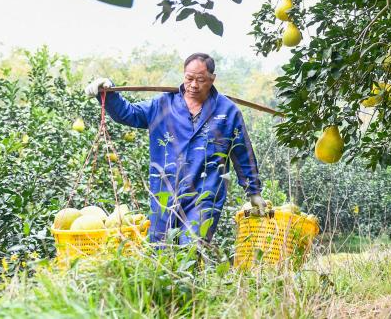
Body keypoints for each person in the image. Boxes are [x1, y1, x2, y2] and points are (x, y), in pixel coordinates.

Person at [84, 53, 266, 244]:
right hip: (165, 194)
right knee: (160, 249)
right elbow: (128, 113)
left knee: (192, 247)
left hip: (204, 197)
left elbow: (242, 153)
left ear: (212, 79)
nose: (193, 85)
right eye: (189, 78)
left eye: (200, 80)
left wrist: (254, 191)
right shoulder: (163, 105)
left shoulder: (227, 111)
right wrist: (108, 93)